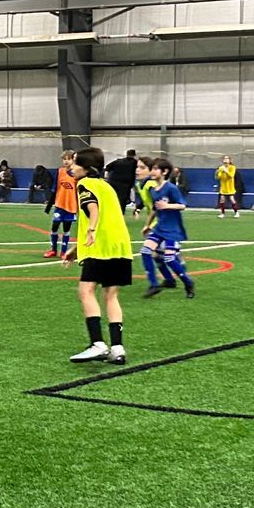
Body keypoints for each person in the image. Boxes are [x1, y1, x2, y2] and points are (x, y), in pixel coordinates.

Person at [64, 147, 130, 364]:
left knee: (85, 291)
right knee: (111, 295)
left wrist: (91, 230)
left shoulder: (85, 184)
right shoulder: (106, 186)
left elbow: (93, 209)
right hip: (119, 247)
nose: (70, 167)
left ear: (86, 167)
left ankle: (97, 344)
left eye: (74, 163)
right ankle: (118, 348)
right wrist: (77, 248)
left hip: (100, 247)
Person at [145, 158, 194, 299]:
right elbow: (154, 209)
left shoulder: (171, 188)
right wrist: (147, 225)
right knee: (146, 251)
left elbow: (182, 205)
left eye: (155, 168)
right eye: (152, 168)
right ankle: (154, 284)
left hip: (172, 230)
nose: (152, 171)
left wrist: (167, 206)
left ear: (164, 171)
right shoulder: (153, 190)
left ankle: (188, 283)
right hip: (159, 228)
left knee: (169, 258)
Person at [135, 160, 175, 295]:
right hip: (159, 223)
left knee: (148, 252)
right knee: (157, 254)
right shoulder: (140, 184)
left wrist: (147, 224)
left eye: (142, 167)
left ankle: (154, 284)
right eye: (137, 167)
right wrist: (138, 208)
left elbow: (155, 206)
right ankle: (169, 280)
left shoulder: (151, 184)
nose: (137, 170)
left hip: (161, 223)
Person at [46, 150, 77, 259]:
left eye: (68, 159)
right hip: (60, 205)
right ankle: (53, 250)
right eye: (64, 159)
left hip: (71, 206)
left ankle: (63, 252)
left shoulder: (77, 174)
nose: (66, 161)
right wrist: (49, 205)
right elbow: (55, 189)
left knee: (66, 229)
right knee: (54, 227)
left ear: (73, 160)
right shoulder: (60, 172)